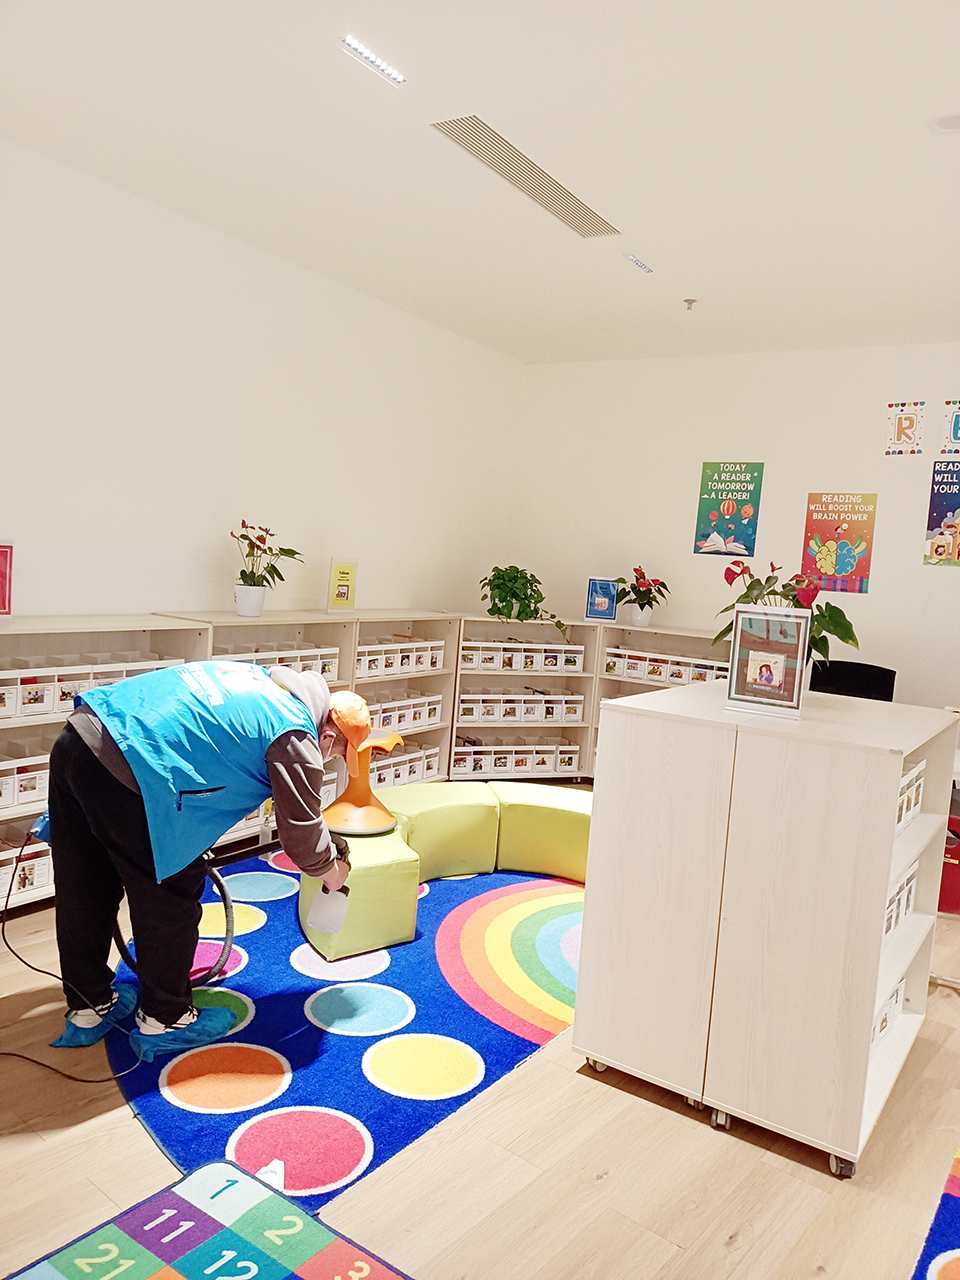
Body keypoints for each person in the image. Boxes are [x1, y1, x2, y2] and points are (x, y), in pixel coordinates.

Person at [45, 660, 371, 1062]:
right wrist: (333, 873)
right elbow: (301, 836)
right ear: (329, 736)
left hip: (80, 738)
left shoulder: (266, 682)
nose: (331, 760)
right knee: (170, 892)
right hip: (131, 766)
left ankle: (89, 1006)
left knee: (85, 885)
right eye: (337, 754)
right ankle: (166, 1019)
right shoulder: (297, 735)